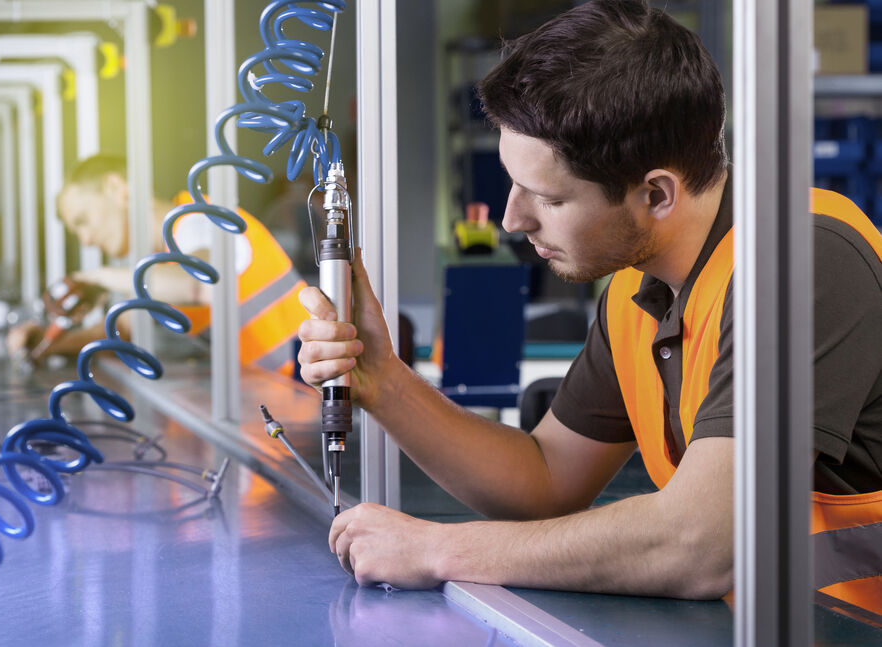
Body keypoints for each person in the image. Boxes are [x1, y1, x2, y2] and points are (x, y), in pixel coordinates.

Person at [297, 0, 882, 612]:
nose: (511, 218)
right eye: (510, 182)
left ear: (655, 194)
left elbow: (701, 545)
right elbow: (546, 480)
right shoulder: (638, 290)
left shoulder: (803, 261)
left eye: (547, 198)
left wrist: (438, 549)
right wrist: (384, 381)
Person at [7, 154, 309, 376]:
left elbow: (198, 284)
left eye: (83, 221)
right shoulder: (158, 264)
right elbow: (123, 331)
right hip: (281, 385)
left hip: (309, 372)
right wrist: (47, 345)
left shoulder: (196, 218)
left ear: (116, 188)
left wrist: (98, 277)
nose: (85, 240)